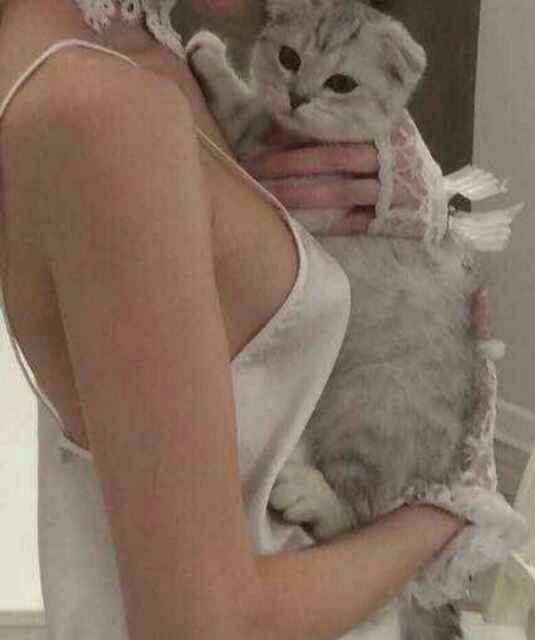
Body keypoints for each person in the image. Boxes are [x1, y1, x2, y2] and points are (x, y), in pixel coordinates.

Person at [0, 1, 478, 638]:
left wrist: (409, 210)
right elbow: (209, 627)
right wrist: (447, 512)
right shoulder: (105, 110)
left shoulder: (142, 41)